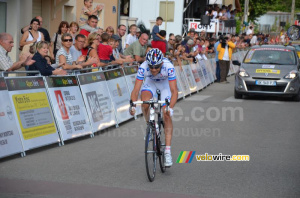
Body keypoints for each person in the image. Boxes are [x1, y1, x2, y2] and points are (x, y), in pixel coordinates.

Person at [129, 48, 178, 167]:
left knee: (166, 115)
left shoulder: (169, 66)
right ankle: (150, 125)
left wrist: (170, 108)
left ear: (161, 63)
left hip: (165, 85)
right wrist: (133, 105)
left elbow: (174, 91)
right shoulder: (143, 67)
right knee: (145, 102)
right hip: (151, 83)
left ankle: (167, 152)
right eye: (151, 67)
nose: (154, 69)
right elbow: (136, 90)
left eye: (156, 67)